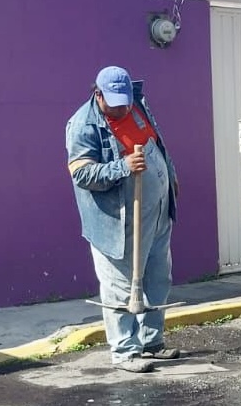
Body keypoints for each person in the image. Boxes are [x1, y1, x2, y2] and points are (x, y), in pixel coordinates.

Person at [66, 66, 180, 374]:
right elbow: (81, 174)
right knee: (120, 285)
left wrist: (170, 177)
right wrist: (123, 166)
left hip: (155, 211)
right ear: (98, 94)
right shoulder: (83, 124)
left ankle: (151, 342)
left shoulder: (137, 102)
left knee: (157, 278)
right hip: (119, 220)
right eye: (116, 102)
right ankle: (126, 352)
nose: (123, 107)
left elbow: (156, 142)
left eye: (126, 100)